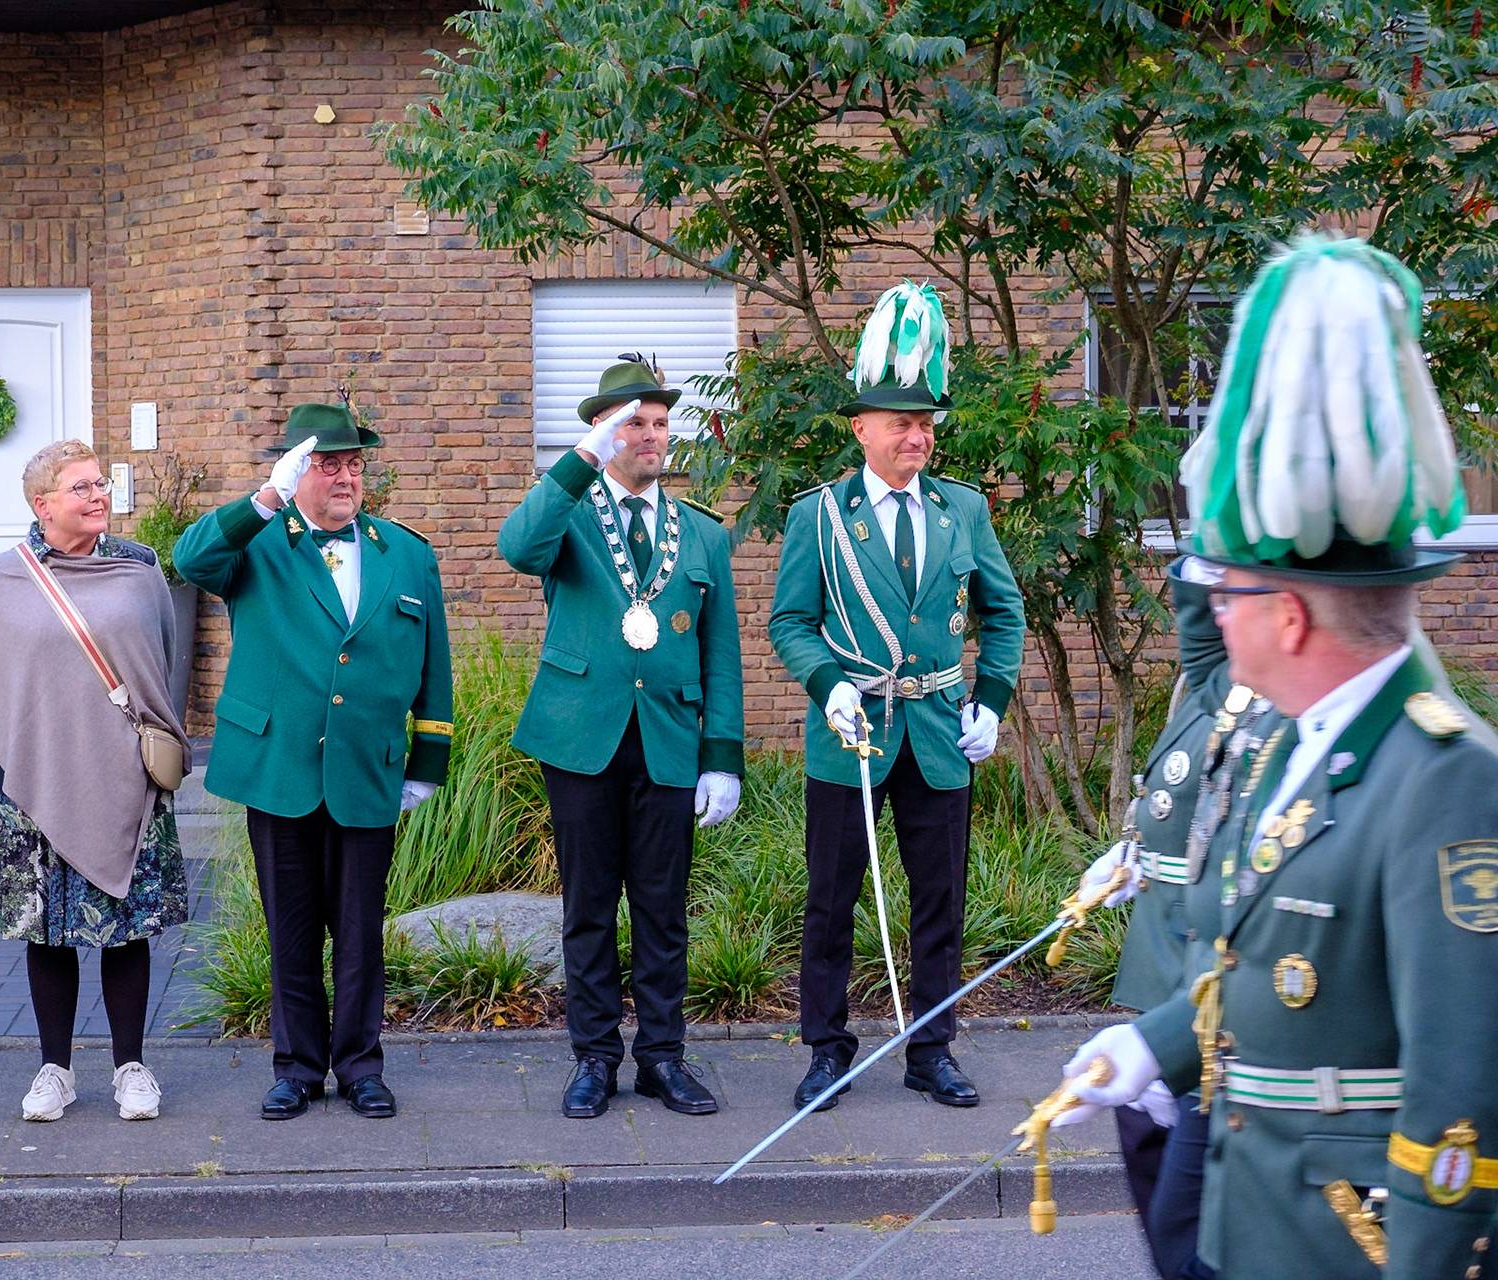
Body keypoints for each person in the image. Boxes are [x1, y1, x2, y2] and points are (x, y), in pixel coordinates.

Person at [1053, 236, 1498, 1280]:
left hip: (1354, 1243)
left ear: (1293, 615)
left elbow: (1467, 1092)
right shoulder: (1293, 742)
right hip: (1261, 1213)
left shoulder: (1447, 776)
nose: (1211, 614)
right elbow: (1253, 966)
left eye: (1225, 593)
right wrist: (1152, 1046)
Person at [769, 285, 1025, 1110]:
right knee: (832, 900)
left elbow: (1005, 610)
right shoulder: (819, 517)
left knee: (940, 901)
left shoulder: (964, 510)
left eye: (926, 424)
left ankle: (933, 1049)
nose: (917, 436)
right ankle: (826, 1050)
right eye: (899, 422)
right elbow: (791, 620)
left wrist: (990, 699)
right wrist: (827, 684)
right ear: (862, 429)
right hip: (851, 732)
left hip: (940, 734)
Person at [175, 402, 451, 1121]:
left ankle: (361, 1067)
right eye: (327, 464)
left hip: (369, 765)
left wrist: (427, 761)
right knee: (291, 927)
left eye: (354, 464)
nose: (345, 477)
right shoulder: (260, 545)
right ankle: (297, 1067)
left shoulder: (406, 552)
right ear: (296, 471)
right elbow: (191, 559)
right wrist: (264, 499)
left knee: (361, 930)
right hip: (279, 765)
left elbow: (434, 668)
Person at [499, 356, 744, 1119]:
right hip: (581, 738)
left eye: (660, 422)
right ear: (605, 431)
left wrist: (722, 758)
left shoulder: (700, 533)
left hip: (668, 738)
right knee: (590, 908)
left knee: (665, 911)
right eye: (633, 422)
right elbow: (517, 547)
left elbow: (720, 651)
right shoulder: (567, 511)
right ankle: (595, 1058)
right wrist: (581, 462)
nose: (650, 435)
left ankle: (664, 1058)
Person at [0, 440, 191, 1123]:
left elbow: (162, 662)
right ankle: (54, 1070)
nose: (96, 497)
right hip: (35, 779)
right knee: (46, 932)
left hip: (124, 777)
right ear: (43, 503)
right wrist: (15, 747)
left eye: (100, 485)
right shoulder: (1, 580)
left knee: (127, 928)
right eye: (80, 487)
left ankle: (131, 1067)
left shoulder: (139, 572)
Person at [1078, 555, 1250, 1280]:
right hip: (1167, 944)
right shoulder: (1223, 686)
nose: (1221, 612)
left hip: (1200, 959)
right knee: (1154, 1153)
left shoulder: (1267, 706)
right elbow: (1198, 625)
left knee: (1186, 1207)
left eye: (1240, 596)